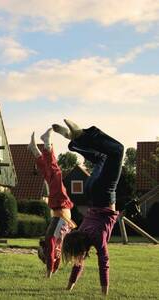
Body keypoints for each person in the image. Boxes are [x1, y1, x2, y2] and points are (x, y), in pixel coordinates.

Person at [53, 119, 123, 296]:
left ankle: (82, 136)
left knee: (117, 151)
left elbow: (104, 262)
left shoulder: (97, 237)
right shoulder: (82, 229)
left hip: (105, 194)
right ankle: (74, 142)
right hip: (91, 190)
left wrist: (104, 291)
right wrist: (69, 286)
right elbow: (78, 263)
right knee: (102, 158)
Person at [28, 128, 77, 278]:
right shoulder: (55, 249)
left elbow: (50, 254)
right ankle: (36, 150)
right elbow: (54, 261)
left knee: (55, 174)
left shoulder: (51, 241)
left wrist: (48, 273)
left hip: (60, 206)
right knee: (50, 174)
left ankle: (47, 145)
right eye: (42, 251)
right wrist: (53, 268)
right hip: (61, 206)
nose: (43, 248)